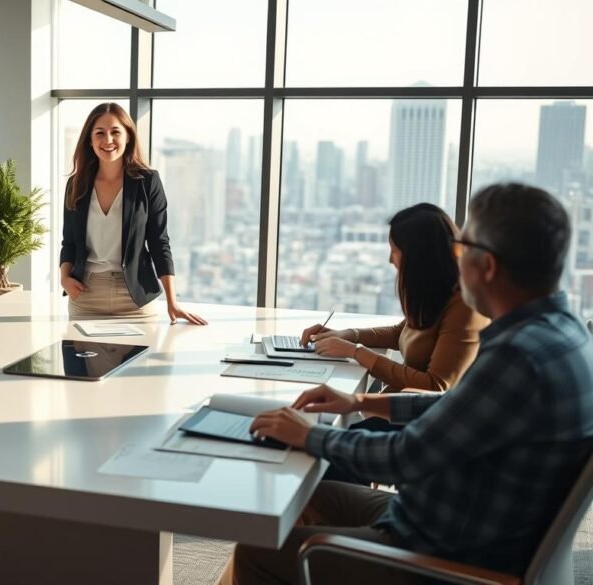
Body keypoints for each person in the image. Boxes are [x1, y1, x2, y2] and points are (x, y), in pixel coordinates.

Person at [227, 183, 593, 584]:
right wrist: (358, 402)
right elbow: (455, 409)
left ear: (486, 265)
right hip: (445, 520)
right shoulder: (566, 335)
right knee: (306, 497)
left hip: (438, 556)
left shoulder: (518, 358)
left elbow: (406, 456)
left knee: (257, 554)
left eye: (460, 249)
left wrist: (312, 436)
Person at [300, 203, 488, 393]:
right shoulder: (436, 293)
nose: (390, 259)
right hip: (397, 408)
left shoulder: (464, 307)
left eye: (395, 251)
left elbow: (435, 386)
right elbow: (401, 333)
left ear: (419, 256)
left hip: (420, 418)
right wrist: (345, 335)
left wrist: (355, 351)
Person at [59, 102, 207, 325]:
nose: (108, 140)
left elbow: (159, 242)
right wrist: (64, 279)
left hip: (135, 299)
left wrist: (172, 302)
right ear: (90, 140)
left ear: (128, 137)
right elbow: (69, 242)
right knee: (79, 360)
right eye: (99, 133)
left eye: (115, 132)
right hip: (86, 296)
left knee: (139, 361)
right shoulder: (77, 184)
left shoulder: (148, 182)